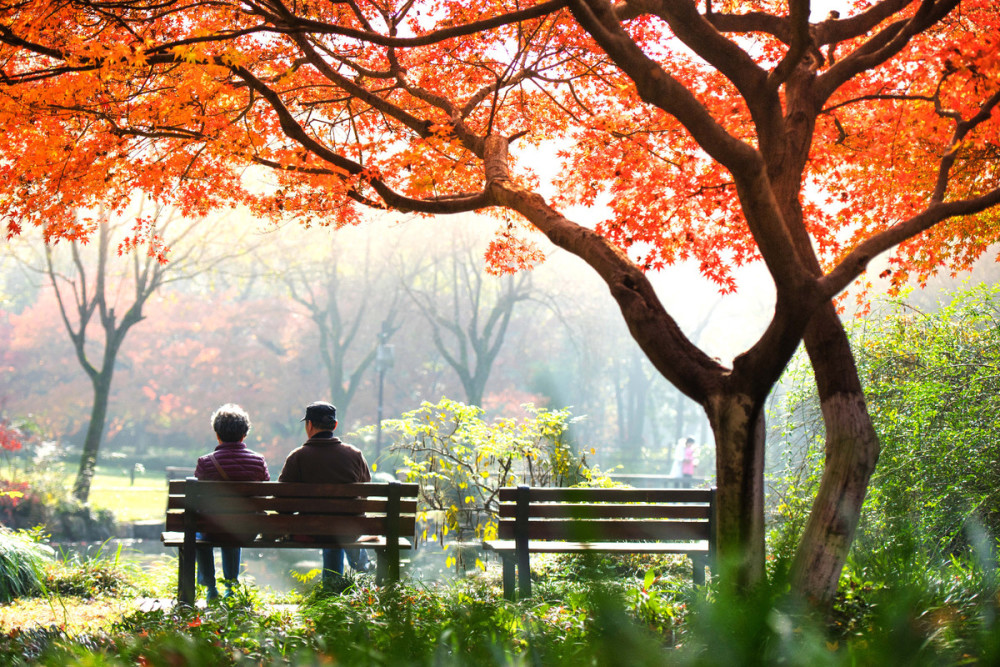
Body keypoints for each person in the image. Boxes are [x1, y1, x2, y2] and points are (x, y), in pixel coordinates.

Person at [278, 401, 371, 586]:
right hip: (348, 529)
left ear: (309, 425)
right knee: (341, 527)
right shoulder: (355, 454)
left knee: (329, 527)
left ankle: (331, 587)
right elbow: (365, 490)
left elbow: (282, 503)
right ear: (335, 426)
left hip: (312, 530)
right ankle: (359, 570)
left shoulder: (297, 457)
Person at [194, 403, 270, 601]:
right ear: (244, 434)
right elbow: (264, 494)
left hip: (212, 528)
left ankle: (210, 586)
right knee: (235, 522)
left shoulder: (205, 462)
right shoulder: (258, 461)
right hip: (247, 529)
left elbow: (197, 499)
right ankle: (231, 586)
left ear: (217, 434)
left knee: (203, 528)